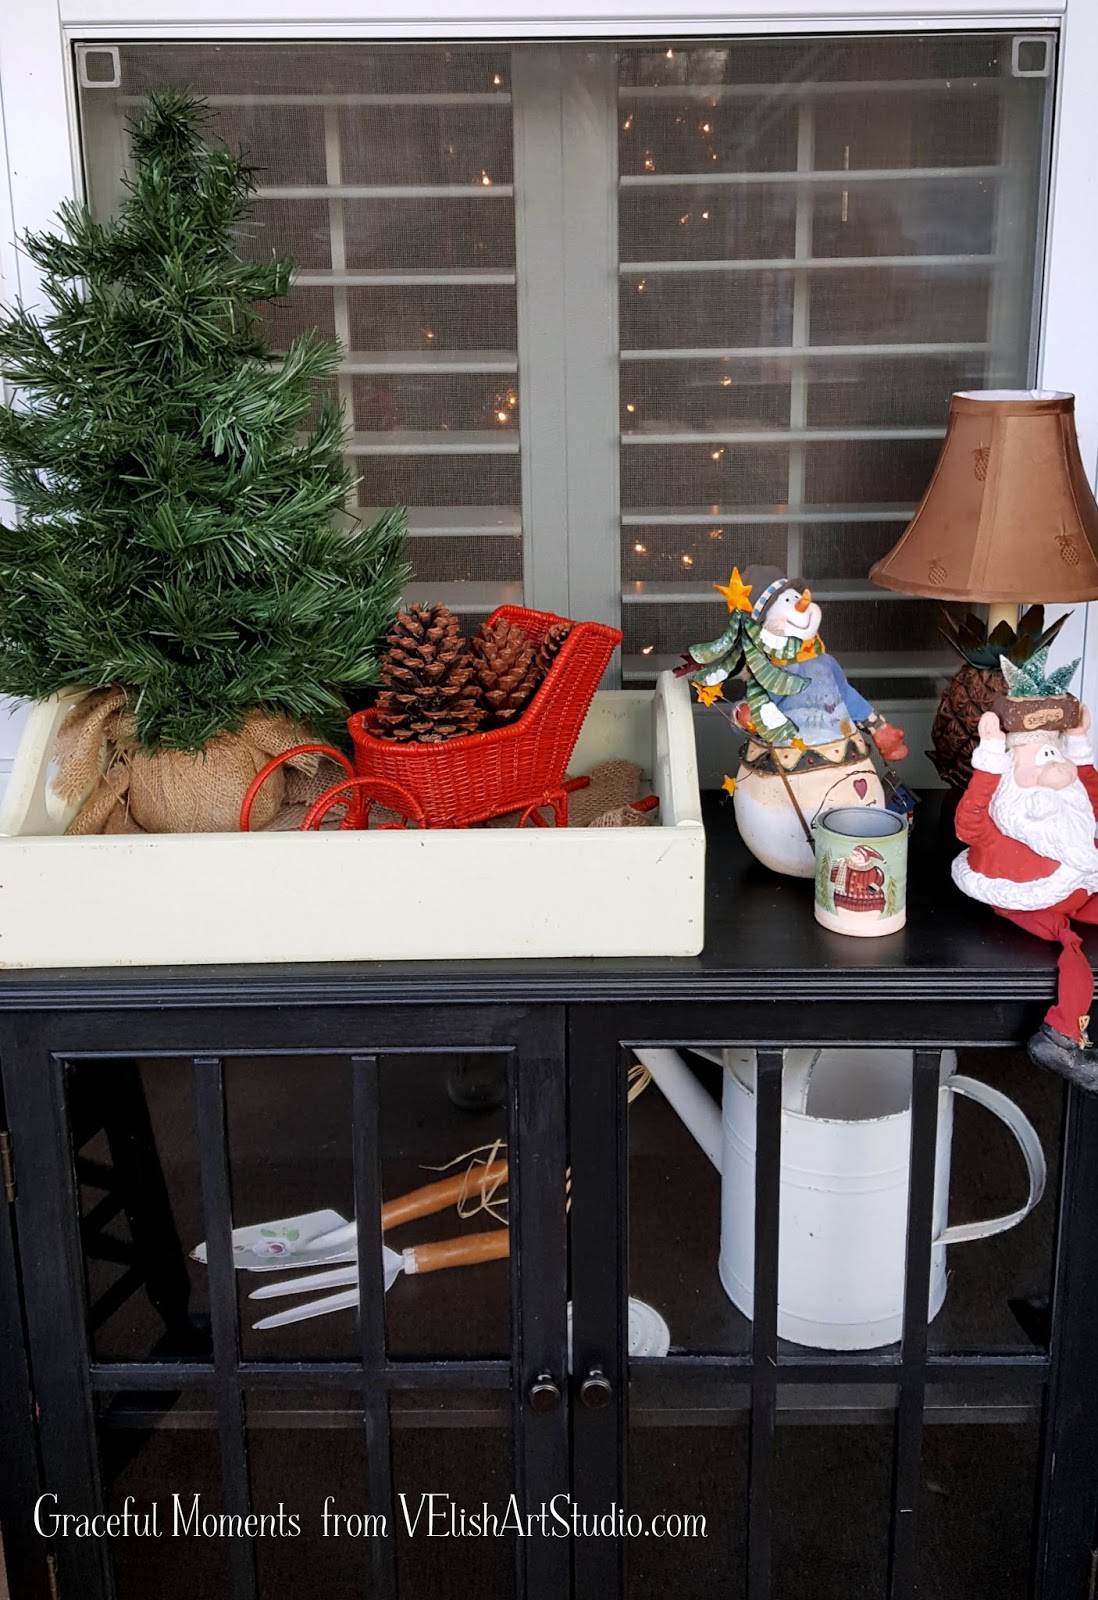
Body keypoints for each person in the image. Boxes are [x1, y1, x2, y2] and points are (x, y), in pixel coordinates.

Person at [953, 704, 1098, 1088]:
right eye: (1043, 757)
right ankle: (1062, 1038)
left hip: (1081, 887)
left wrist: (1078, 742)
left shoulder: (1070, 806)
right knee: (1073, 953)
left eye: (1056, 754)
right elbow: (967, 823)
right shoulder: (1004, 820)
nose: (1057, 770)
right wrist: (989, 761)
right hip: (1033, 904)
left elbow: (1092, 800)